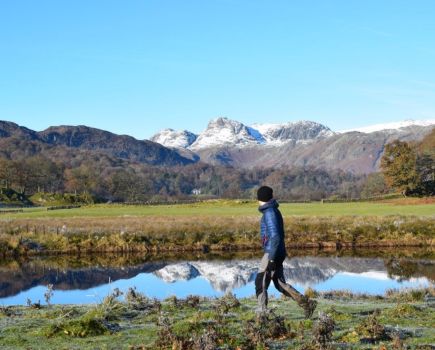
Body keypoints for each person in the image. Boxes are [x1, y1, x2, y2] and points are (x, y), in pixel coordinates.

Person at [255, 185, 317, 318]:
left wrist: (271, 258)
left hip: (273, 252)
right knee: (279, 283)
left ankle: (261, 313)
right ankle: (307, 304)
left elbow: (275, 236)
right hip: (277, 251)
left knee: (260, 282)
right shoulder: (272, 210)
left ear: (261, 199)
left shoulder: (270, 212)